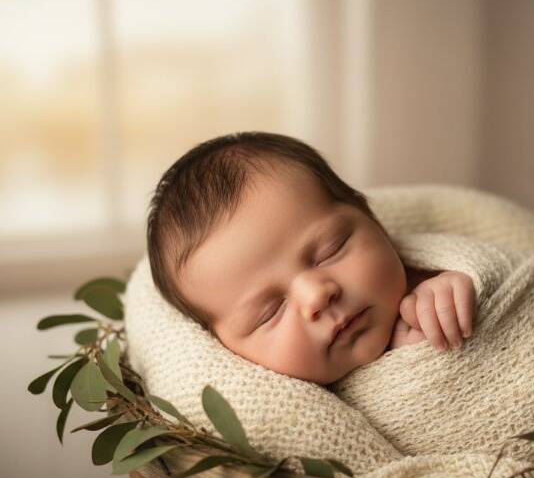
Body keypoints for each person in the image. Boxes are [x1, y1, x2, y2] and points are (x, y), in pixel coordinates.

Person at [146, 131, 476, 385]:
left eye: (330, 251)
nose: (316, 295)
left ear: (371, 219)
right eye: (270, 312)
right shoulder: (288, 411)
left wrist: (452, 289)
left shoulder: (432, 278)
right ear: (228, 350)